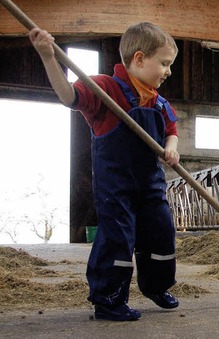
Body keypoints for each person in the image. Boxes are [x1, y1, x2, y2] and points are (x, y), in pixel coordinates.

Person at [29, 22, 181, 321]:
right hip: (116, 186)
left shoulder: (158, 100)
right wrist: (48, 56)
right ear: (139, 59)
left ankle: (156, 286)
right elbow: (69, 97)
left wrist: (172, 147)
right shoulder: (104, 88)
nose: (168, 71)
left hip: (151, 184)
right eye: (164, 63)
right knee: (118, 238)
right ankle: (109, 299)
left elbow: (172, 130)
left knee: (161, 232)